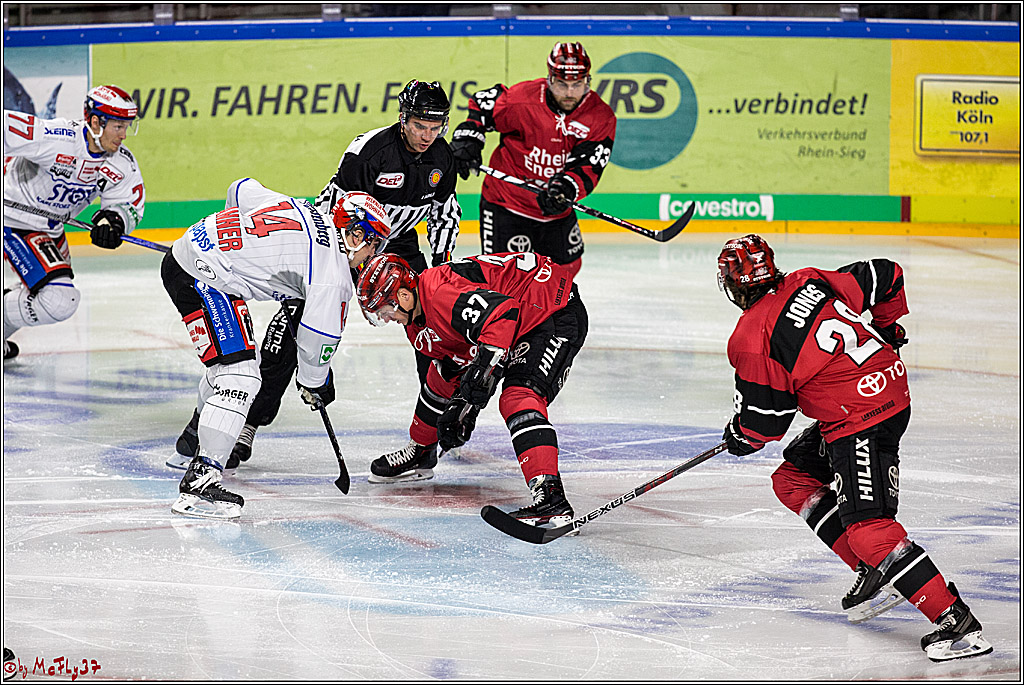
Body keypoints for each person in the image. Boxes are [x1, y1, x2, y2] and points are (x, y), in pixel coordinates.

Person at [716, 234, 992, 662]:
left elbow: (765, 425)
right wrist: (888, 328)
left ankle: (957, 624)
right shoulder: (810, 280)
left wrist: (740, 435)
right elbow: (887, 273)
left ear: (734, 285)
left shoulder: (753, 335)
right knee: (792, 479)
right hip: (883, 391)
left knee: (868, 529)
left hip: (863, 418)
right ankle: (872, 571)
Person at [168, 80, 461, 470]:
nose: (428, 135)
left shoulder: (443, 157)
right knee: (291, 326)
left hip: (397, 245)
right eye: (420, 125)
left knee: (432, 327)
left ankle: (432, 433)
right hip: (344, 241)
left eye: (436, 126)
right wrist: (314, 264)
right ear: (403, 119)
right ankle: (246, 424)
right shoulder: (369, 152)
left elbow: (444, 213)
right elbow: (341, 213)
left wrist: (439, 269)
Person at [161, 177, 391, 518]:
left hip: (193, 258)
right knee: (241, 377)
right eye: (373, 243)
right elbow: (315, 348)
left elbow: (240, 188)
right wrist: (316, 384)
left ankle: (193, 438)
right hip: (204, 278)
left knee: (228, 366)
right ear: (355, 235)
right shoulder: (333, 273)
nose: (373, 253)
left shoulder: (305, 207)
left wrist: (239, 252)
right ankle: (201, 480)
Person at [356, 250, 588, 528]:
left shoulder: (441, 296)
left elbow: (503, 315)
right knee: (440, 374)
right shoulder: (417, 321)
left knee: (519, 396)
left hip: (550, 308)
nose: (386, 318)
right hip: (520, 315)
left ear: (404, 296)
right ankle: (422, 451)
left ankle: (551, 498)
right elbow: (458, 365)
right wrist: (462, 408)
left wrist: (476, 391)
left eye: (384, 309)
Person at [449, 41, 616, 278]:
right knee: (506, 278)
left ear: (588, 80)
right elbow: (483, 104)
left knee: (566, 271)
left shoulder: (600, 116)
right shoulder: (521, 100)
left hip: (555, 208)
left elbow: (590, 165)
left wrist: (566, 189)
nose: (569, 93)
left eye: (577, 84)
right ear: (549, 79)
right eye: (562, 84)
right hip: (506, 203)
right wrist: (470, 137)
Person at [3, 85, 145, 361]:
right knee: (57, 298)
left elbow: (127, 202)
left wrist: (113, 221)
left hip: (49, 228)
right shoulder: (57, 137)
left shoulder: (121, 162)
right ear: (95, 122)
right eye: (117, 126)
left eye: (126, 126)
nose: (123, 135)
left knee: (58, 300)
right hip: (12, 217)